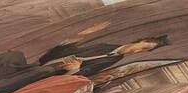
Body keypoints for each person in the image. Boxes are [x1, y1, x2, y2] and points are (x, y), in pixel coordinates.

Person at [36, 35, 168, 79]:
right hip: (51, 62)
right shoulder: (105, 45)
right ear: (140, 40)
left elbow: (87, 72)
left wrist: (75, 69)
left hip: (57, 74)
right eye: (142, 46)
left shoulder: (115, 59)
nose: (138, 50)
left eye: (143, 51)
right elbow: (73, 49)